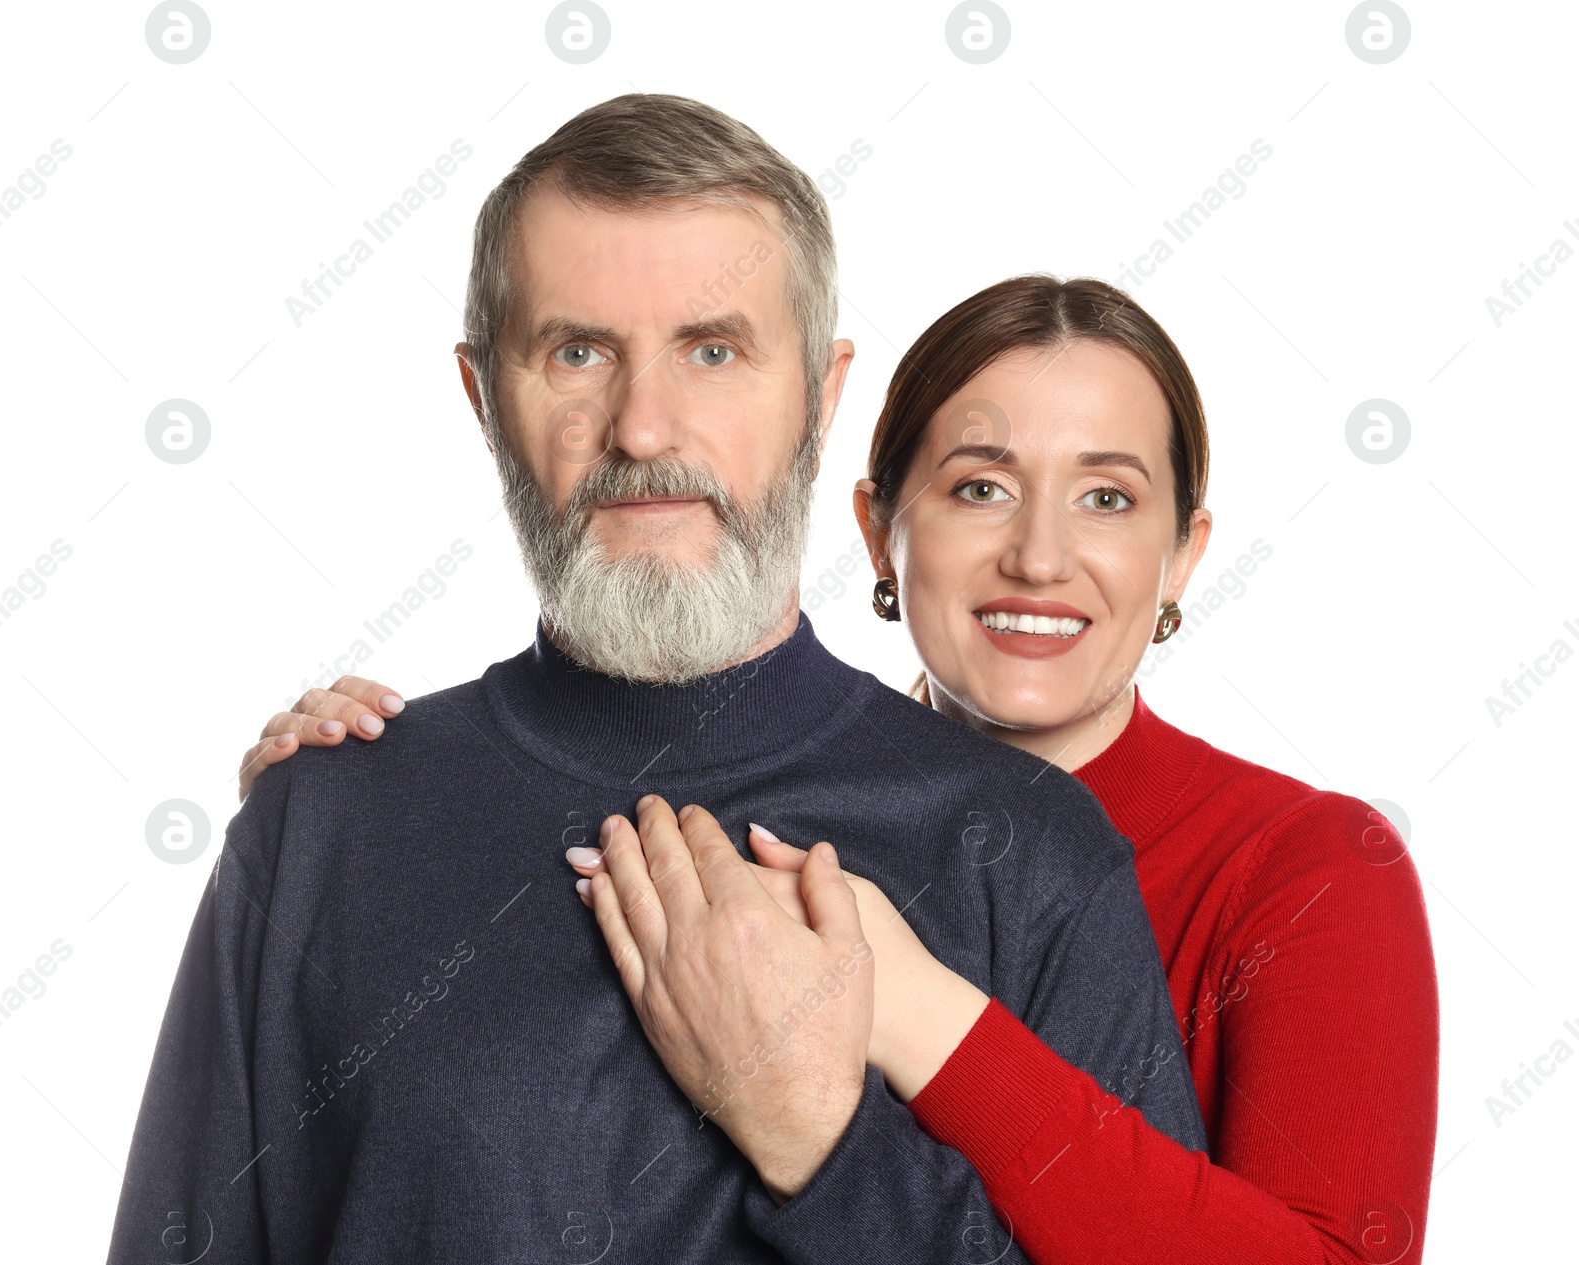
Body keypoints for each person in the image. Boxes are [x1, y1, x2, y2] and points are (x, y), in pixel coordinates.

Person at [109, 98, 1205, 1265]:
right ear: (486, 399)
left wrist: (822, 1141)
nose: (642, 427)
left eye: (713, 350)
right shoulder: (321, 821)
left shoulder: (1032, 852)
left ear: (822, 399)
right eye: (577, 353)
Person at [250, 276, 1440, 1263]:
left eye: (1108, 498)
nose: (1039, 552)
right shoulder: (742, 802)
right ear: (876, 529)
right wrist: (345, 825)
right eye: (979, 486)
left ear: (1183, 554)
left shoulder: (1309, 867)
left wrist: (920, 1015)